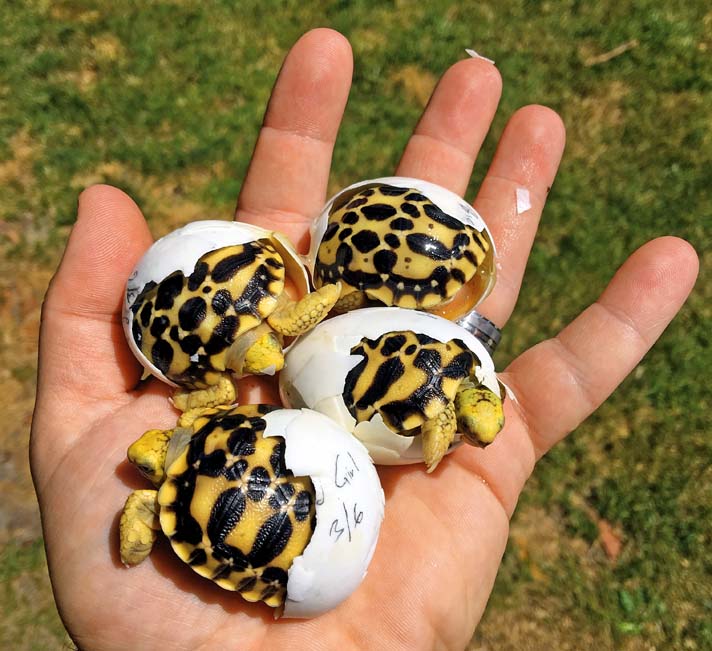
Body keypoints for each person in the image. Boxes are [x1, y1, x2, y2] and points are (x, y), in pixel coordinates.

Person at [30, 28, 698, 651]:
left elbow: (278, 377)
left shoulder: (217, 414)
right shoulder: (217, 421)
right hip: (280, 486)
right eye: (145, 456)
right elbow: (274, 394)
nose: (272, 354)